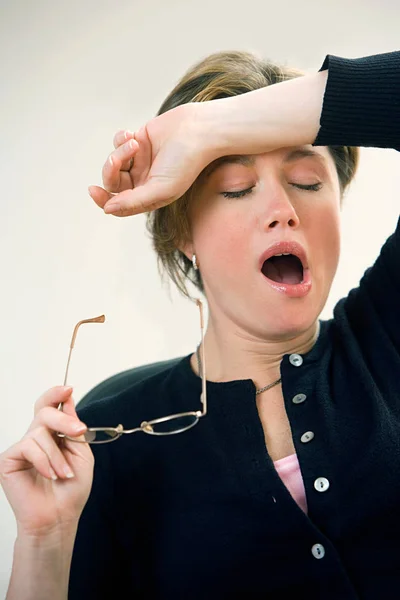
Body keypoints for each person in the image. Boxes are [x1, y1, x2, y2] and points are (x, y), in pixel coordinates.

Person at [1, 48, 400, 599]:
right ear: (183, 233)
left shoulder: (390, 335)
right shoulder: (109, 433)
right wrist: (46, 541)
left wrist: (210, 125)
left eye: (308, 180)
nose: (283, 208)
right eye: (236, 188)